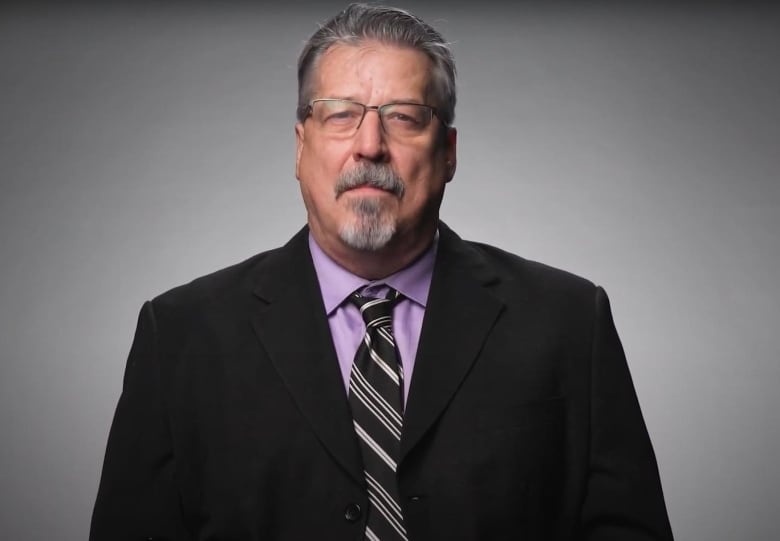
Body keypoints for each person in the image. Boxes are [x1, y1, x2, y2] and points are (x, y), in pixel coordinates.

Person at [90, 4, 674, 540]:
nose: (370, 145)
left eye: (404, 118)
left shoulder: (568, 324)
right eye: (341, 115)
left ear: (447, 152)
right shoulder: (182, 335)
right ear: (300, 147)